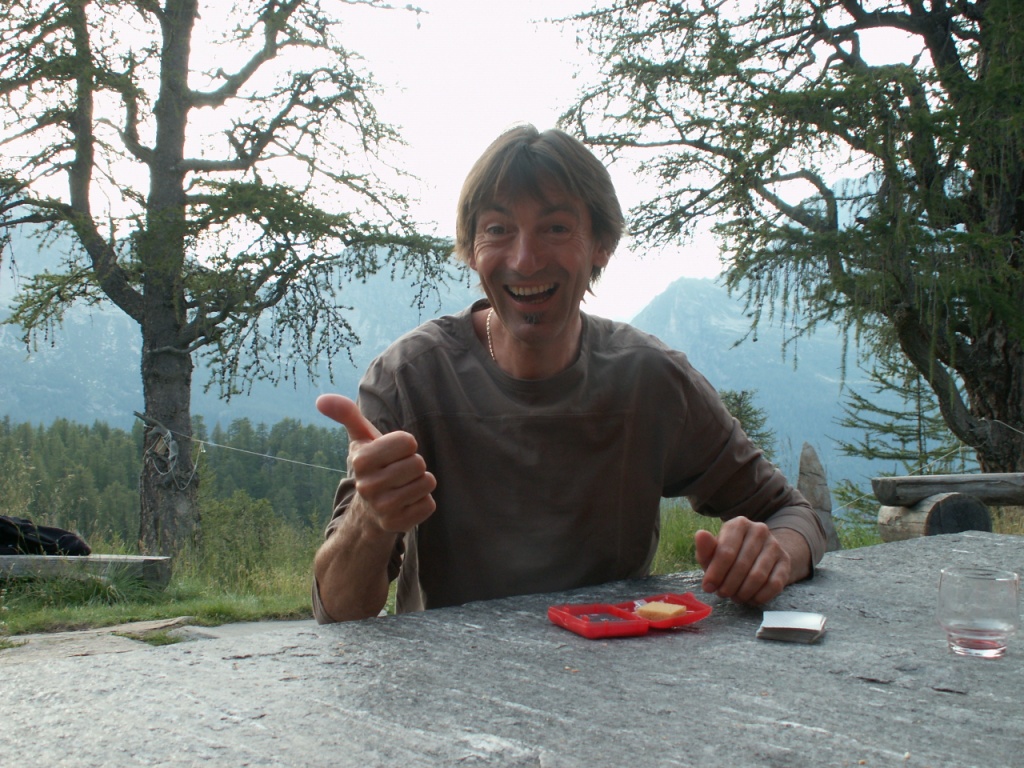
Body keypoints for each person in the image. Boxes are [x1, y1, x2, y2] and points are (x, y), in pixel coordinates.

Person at [312, 124, 826, 623]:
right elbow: (336, 609)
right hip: (450, 679)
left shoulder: (651, 379)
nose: (525, 260)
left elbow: (792, 514)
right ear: (471, 250)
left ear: (601, 244)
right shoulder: (409, 379)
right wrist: (370, 519)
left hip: (612, 669)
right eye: (498, 230)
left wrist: (771, 555)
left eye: (556, 228)